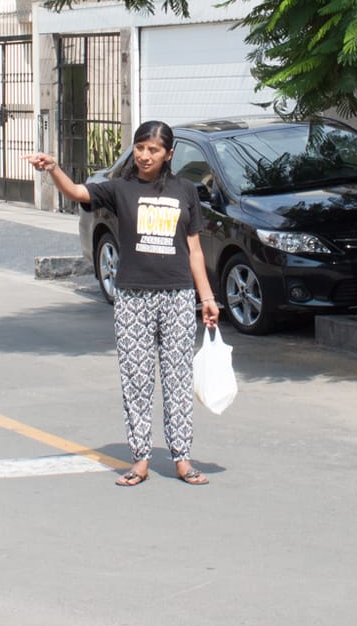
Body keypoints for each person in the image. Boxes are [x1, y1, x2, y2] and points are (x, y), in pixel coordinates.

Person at [27, 122, 220, 487]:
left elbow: (194, 249)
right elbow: (77, 192)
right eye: (140, 148)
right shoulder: (120, 188)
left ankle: (182, 459)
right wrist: (53, 168)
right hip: (132, 297)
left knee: (178, 379)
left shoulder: (185, 191)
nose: (144, 156)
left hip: (177, 296)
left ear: (169, 155)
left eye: (153, 150)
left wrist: (206, 297)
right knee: (136, 378)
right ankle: (140, 460)